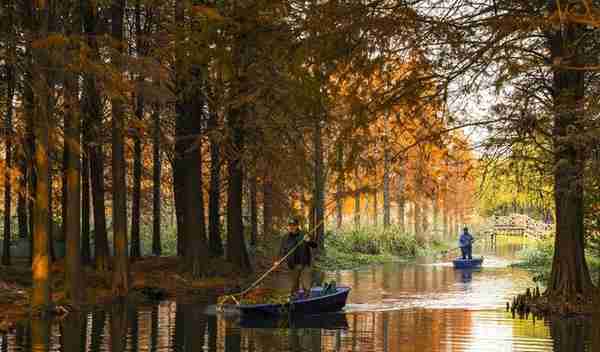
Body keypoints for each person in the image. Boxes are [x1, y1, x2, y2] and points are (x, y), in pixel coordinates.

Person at [276, 218, 318, 296]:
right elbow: (282, 250)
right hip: (293, 265)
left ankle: (307, 297)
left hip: (305, 263)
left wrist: (309, 240)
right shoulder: (285, 238)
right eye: (290, 225)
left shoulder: (304, 234)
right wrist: (278, 260)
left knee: (306, 284)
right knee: (294, 286)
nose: (292, 227)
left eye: (294, 225)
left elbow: (315, 245)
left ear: (297, 226)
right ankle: (294, 300)